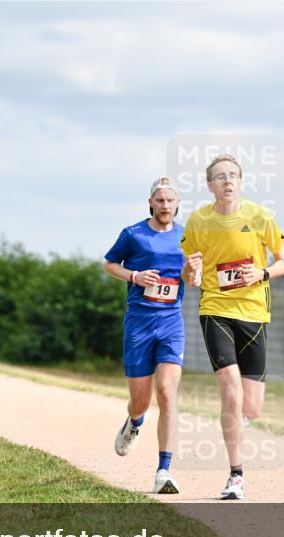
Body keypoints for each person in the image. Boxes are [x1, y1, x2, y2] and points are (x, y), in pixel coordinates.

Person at [180, 154, 284, 500]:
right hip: (215, 308)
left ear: (240, 182)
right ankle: (236, 476)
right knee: (230, 388)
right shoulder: (198, 221)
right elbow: (189, 275)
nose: (227, 181)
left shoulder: (260, 217)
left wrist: (261, 273)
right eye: (219, 177)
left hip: (255, 313)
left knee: (252, 407)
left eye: (233, 175)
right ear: (210, 185)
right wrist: (192, 272)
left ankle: (237, 422)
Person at [102, 176, 189, 494]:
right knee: (140, 401)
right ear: (151, 203)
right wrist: (134, 276)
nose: (165, 206)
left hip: (171, 323)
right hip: (139, 323)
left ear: (177, 204)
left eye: (170, 200)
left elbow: (192, 277)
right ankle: (134, 423)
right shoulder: (133, 234)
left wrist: (193, 272)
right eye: (160, 200)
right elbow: (109, 264)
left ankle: (164, 471)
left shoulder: (187, 236)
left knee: (167, 392)